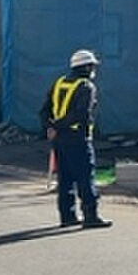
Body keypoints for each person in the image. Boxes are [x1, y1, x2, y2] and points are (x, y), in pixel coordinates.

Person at [40, 49, 112, 229]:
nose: (93, 70)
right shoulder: (86, 87)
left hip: (59, 140)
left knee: (65, 178)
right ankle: (90, 216)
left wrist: (50, 127)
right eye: (92, 66)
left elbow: (44, 111)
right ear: (86, 67)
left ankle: (67, 216)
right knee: (85, 177)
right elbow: (80, 114)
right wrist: (58, 126)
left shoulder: (59, 83)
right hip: (77, 138)